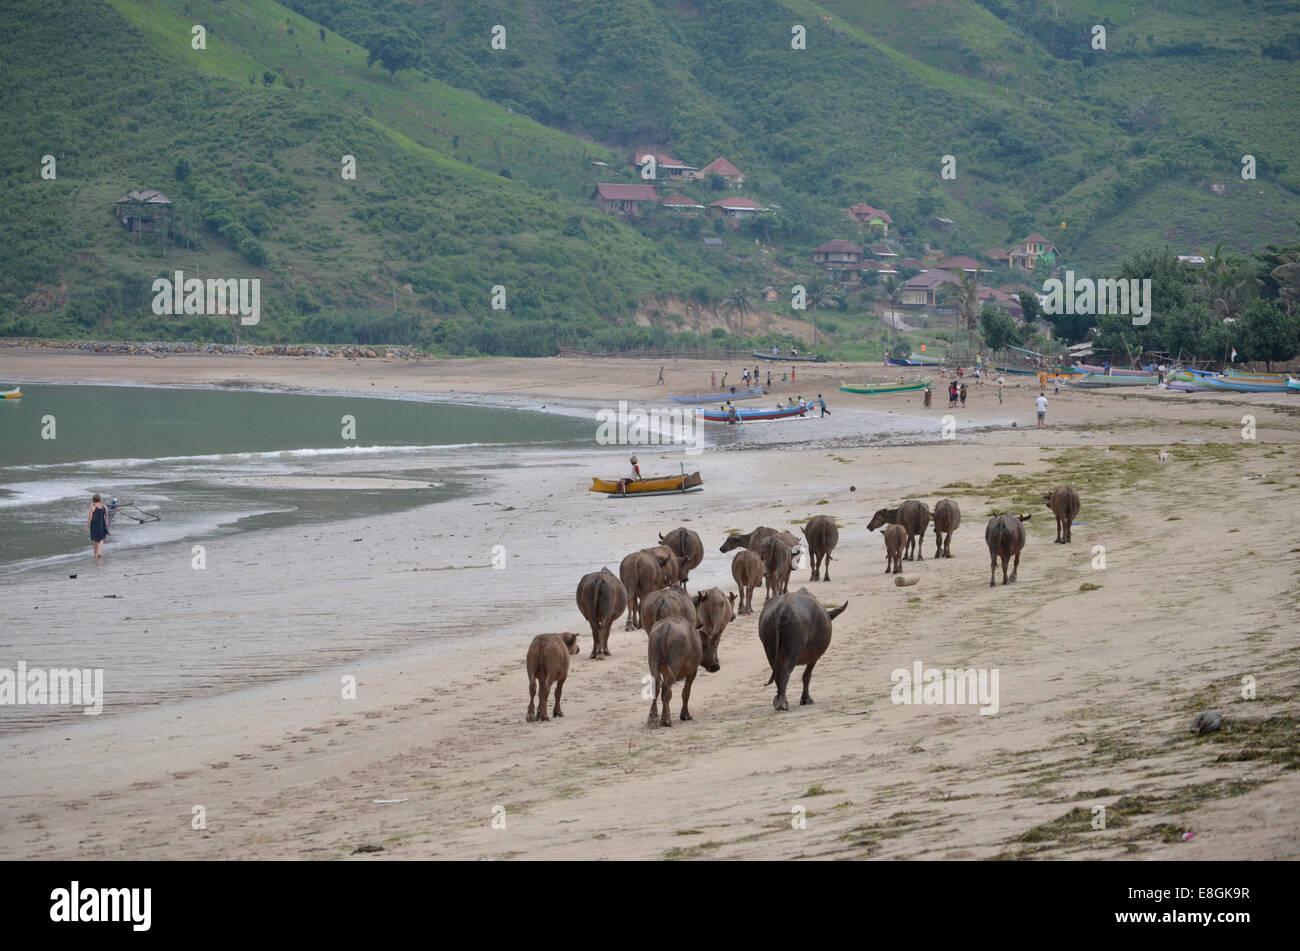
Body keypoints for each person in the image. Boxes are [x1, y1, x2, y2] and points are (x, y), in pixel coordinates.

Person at [86, 492, 110, 559]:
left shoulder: (92, 507)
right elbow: (107, 517)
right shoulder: (104, 506)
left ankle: (95, 553)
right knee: (101, 539)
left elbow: (90, 518)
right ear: (100, 499)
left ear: (93, 499)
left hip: (94, 525)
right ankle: (100, 552)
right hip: (102, 524)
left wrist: (86, 527)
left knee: (95, 540)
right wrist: (107, 524)